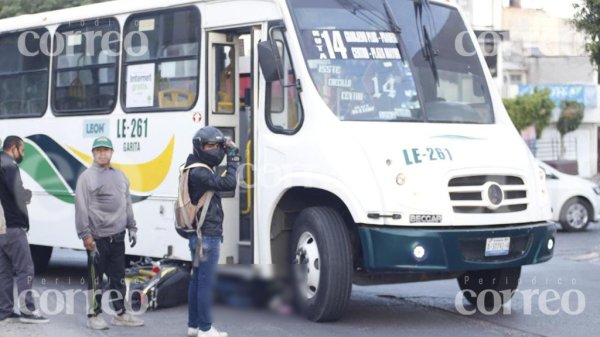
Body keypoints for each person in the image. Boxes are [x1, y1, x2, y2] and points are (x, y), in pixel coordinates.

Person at [75, 136, 143, 330]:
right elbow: (81, 208)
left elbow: (127, 203)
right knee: (95, 279)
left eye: (106, 150)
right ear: (93, 154)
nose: (102, 153)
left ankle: (120, 313)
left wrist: (132, 227)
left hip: (118, 237)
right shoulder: (86, 178)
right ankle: (93, 315)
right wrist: (85, 235)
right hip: (97, 239)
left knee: (118, 278)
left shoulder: (120, 176)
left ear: (112, 152)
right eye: (98, 150)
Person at [186, 126, 239, 337]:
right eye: (209, 145)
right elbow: (230, 183)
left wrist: (227, 151)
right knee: (205, 282)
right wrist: (233, 157)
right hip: (207, 235)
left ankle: (193, 326)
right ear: (200, 146)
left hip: (199, 235)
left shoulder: (193, 166)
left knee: (197, 280)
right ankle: (206, 330)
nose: (214, 150)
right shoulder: (200, 172)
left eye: (217, 146)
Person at [0, 136, 49, 324]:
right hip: (12, 226)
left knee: (4, 271)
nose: (23, 153)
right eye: (23, 149)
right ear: (13, 148)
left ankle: (4, 310)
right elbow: (16, 192)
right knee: (25, 269)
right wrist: (26, 194)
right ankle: (28, 310)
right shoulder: (9, 165)